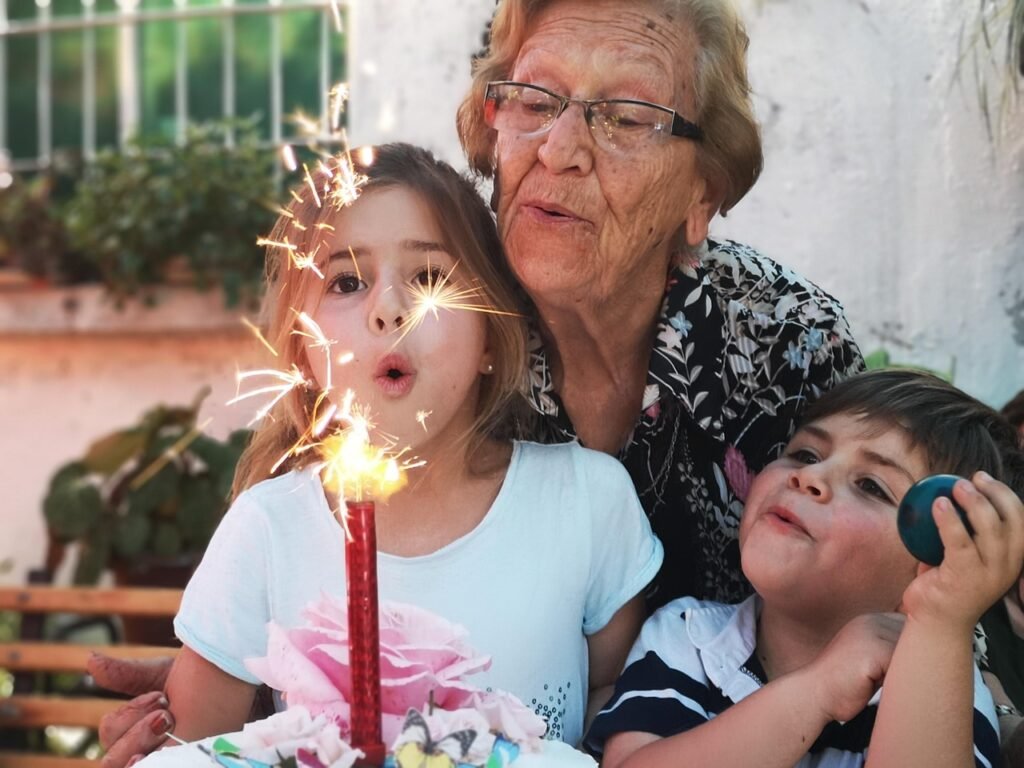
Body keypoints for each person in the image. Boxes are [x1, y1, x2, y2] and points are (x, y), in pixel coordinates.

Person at [92, 0, 864, 761]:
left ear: (702, 195)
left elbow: (879, 603)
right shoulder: (452, 306)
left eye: (626, 116)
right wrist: (266, 696)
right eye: (534, 100)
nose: (560, 149)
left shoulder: (781, 342)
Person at [149, 143, 663, 748]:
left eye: (427, 278)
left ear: (493, 337)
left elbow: (617, 705)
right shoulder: (266, 532)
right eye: (346, 281)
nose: (388, 310)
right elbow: (189, 754)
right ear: (303, 353)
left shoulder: (586, 503)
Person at [586, 369, 1024, 768]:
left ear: (934, 558)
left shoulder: (941, 688)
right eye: (806, 454)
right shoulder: (689, 637)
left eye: (870, 485)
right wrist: (818, 690)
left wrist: (940, 619)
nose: (809, 477)